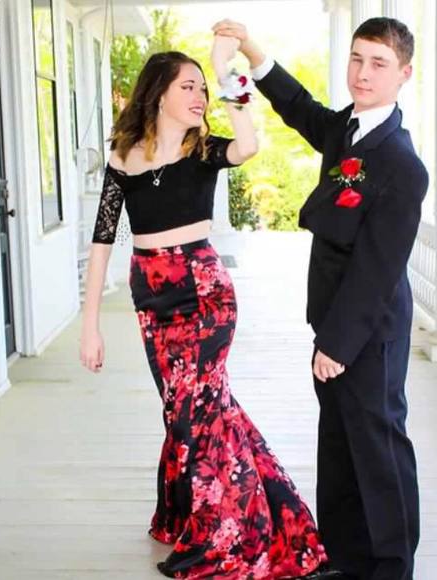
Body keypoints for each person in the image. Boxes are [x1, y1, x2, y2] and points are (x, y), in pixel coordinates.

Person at [79, 36, 327, 579]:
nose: (199, 97)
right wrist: (89, 324)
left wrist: (224, 70)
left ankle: (232, 533)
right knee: (188, 410)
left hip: (204, 293)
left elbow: (249, 145)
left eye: (202, 88)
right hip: (151, 296)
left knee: (199, 411)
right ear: (159, 94)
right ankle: (246, 515)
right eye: (188, 86)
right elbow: (101, 242)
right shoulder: (123, 156)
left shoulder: (205, 149)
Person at [213, 17, 428, 580]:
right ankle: (344, 558)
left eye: (378, 63)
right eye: (357, 59)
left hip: (368, 332)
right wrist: (252, 50)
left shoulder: (402, 165)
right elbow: (297, 105)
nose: (363, 73)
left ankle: (391, 567)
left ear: (404, 74)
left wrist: (337, 344)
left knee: (379, 449)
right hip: (331, 323)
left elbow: (378, 269)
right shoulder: (345, 130)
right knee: (339, 444)